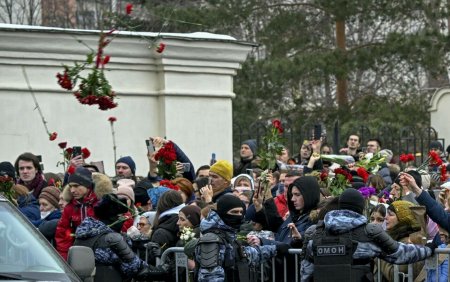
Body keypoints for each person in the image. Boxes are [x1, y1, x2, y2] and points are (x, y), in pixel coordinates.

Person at [301, 188, 436, 282]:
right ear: (360, 209)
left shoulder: (314, 232)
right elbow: (399, 254)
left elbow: (306, 271)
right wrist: (429, 249)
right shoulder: (369, 232)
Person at [73, 193, 168, 281]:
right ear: (112, 217)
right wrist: (161, 270)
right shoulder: (112, 239)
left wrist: (140, 244)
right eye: (121, 216)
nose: (125, 219)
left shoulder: (84, 234)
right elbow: (136, 268)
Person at [194, 194, 280, 281]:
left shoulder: (229, 236)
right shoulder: (211, 240)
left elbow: (246, 255)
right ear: (222, 213)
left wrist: (275, 248)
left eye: (240, 212)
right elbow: (210, 277)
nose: (238, 215)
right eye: (234, 212)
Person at [55, 167, 101, 260]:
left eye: (76, 186)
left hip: (101, 255)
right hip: (78, 256)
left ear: (87, 185)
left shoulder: (101, 203)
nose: (72, 190)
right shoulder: (69, 208)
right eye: (70, 186)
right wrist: (66, 260)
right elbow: (62, 236)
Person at [377, 200, 424, 281]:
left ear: (403, 220)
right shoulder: (394, 238)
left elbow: (395, 275)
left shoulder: (407, 243)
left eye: (391, 214)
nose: (385, 217)